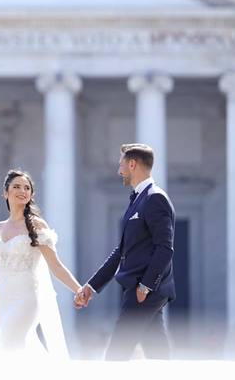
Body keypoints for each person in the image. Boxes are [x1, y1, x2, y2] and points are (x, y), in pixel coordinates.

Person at [75, 143, 176, 360]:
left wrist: (146, 285)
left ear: (132, 164)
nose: (118, 170)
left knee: (116, 355)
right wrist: (91, 287)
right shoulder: (138, 199)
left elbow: (165, 248)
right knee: (159, 356)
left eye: (120, 164)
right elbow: (120, 252)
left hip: (144, 290)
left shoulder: (155, 198)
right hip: (142, 290)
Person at [0, 169, 80, 359]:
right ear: (5, 192)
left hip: (27, 298)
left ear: (31, 195)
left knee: (13, 344)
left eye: (27, 188)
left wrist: (79, 289)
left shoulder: (36, 225)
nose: (22, 190)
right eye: (17, 186)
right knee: (17, 346)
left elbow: (56, 266)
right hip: (6, 299)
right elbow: (1, 273)